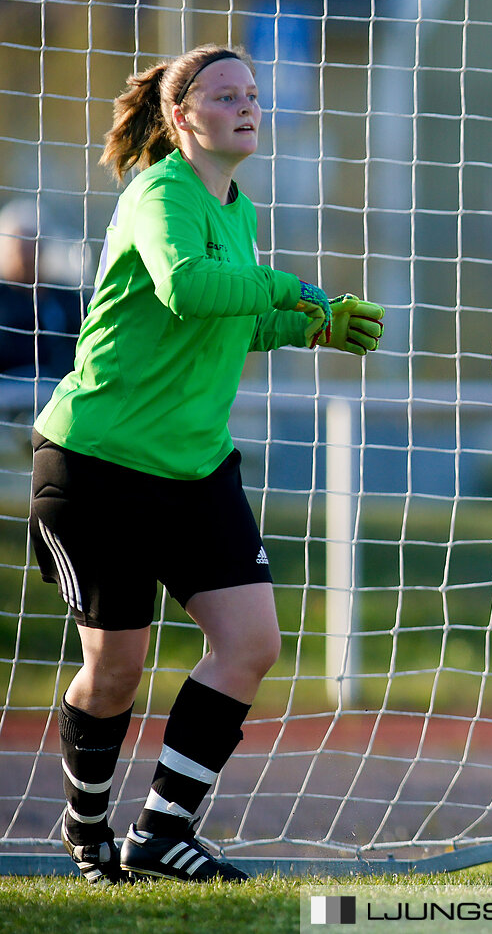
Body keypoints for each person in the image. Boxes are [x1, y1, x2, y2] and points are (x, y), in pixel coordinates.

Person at [31, 44, 383, 883]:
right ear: (182, 115)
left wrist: (308, 326)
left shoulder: (240, 208)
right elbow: (189, 287)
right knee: (115, 669)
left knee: (252, 642)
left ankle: (160, 832)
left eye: (254, 93)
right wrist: (290, 292)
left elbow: (227, 320)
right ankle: (87, 829)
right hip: (97, 464)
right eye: (226, 94)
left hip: (195, 468)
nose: (248, 104)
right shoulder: (159, 195)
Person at [0, 198, 84, 384]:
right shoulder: (4, 300)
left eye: (32, 247)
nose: (26, 257)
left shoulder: (67, 300)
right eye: (19, 248)